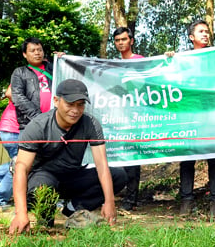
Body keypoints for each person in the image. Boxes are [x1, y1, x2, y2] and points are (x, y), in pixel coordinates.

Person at [9, 79, 128, 233]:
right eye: (70, 104)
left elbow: (102, 165)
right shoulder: (38, 126)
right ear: (56, 101)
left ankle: (73, 209)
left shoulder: (90, 124)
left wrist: (109, 202)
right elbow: (21, 167)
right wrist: (21, 213)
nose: (75, 110)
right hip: (43, 177)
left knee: (118, 175)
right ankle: (46, 219)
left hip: (71, 176)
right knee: (42, 191)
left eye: (80, 105)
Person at [166, 20, 215, 218]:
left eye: (207, 31)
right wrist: (169, 60)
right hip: (189, 114)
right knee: (187, 158)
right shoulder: (182, 58)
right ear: (191, 37)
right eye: (201, 31)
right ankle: (186, 202)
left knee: (214, 158)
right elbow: (170, 77)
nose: (205, 34)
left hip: (212, 114)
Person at [112, 26, 145, 211]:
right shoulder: (113, 65)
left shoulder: (141, 61)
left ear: (131, 41)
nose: (121, 43)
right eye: (117, 41)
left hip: (138, 117)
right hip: (118, 117)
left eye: (124, 39)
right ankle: (118, 195)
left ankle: (130, 200)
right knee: (119, 158)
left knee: (133, 158)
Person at [11, 37, 54, 131]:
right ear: (24, 54)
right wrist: (39, 118)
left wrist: (62, 60)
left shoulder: (54, 69)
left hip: (55, 124)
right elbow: (18, 97)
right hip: (30, 125)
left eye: (40, 50)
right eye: (32, 50)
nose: (37, 53)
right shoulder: (20, 72)